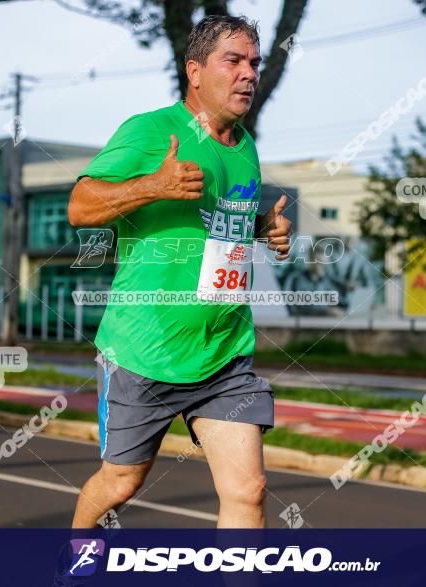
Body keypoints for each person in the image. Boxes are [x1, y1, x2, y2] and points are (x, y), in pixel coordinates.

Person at [68, 14, 292, 529]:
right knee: (121, 482)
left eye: (254, 63)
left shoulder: (245, 147)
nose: (249, 74)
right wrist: (153, 186)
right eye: (233, 61)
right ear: (195, 71)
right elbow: (80, 206)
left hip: (222, 355)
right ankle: (78, 550)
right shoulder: (150, 130)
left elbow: (214, 224)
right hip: (144, 350)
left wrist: (262, 229)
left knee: (248, 490)